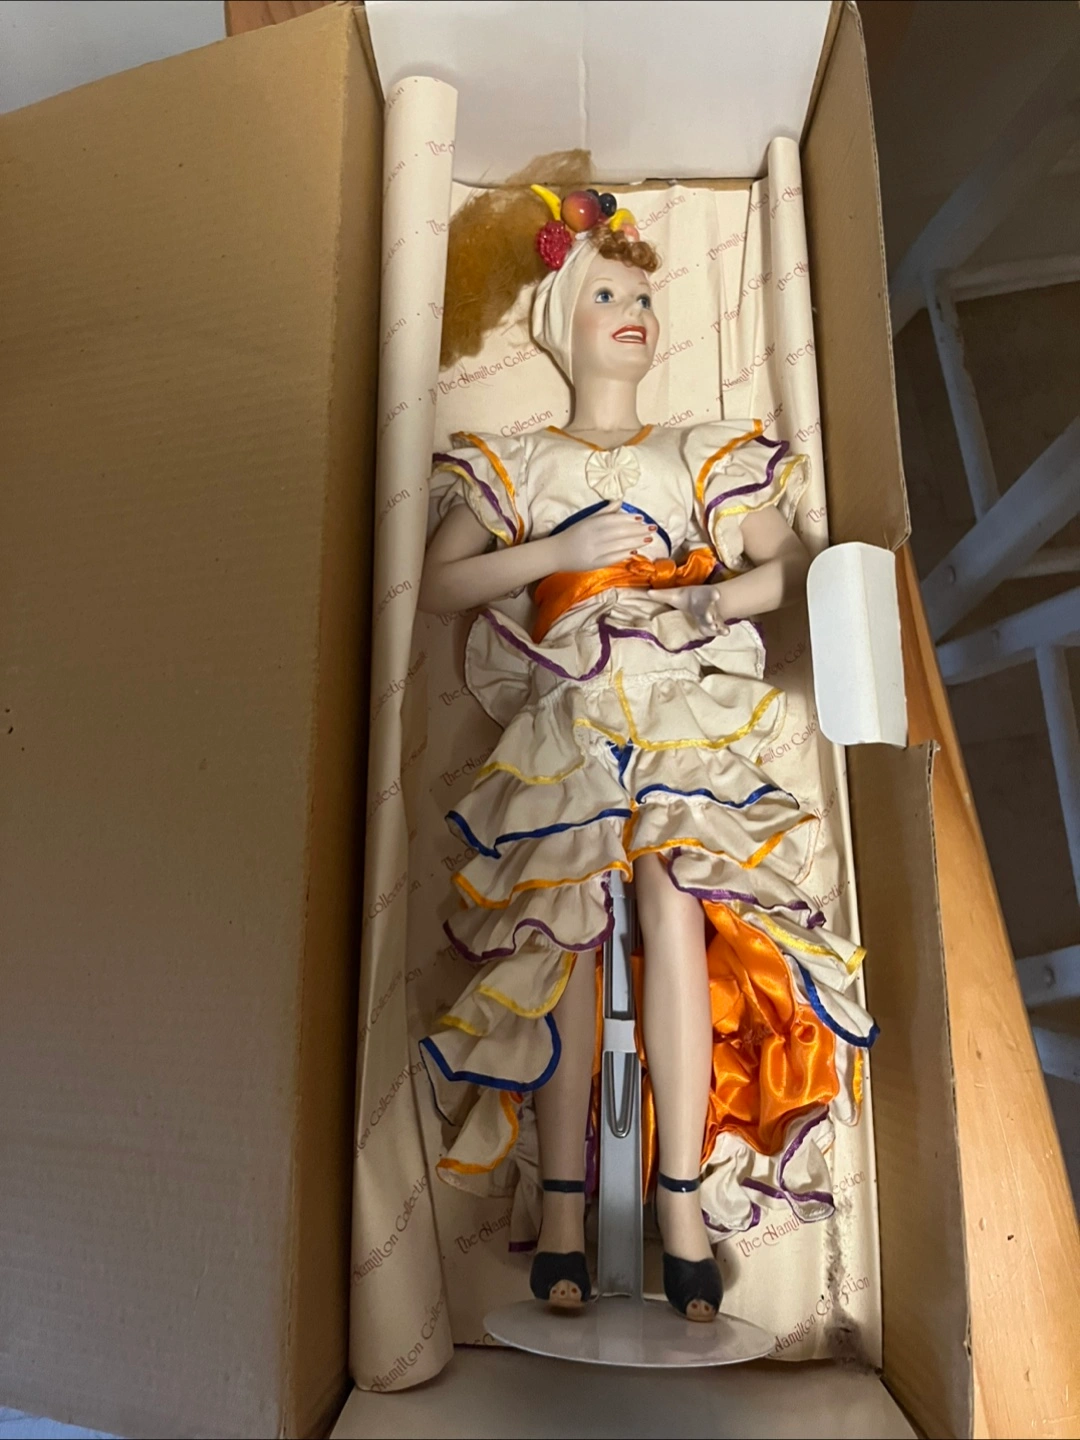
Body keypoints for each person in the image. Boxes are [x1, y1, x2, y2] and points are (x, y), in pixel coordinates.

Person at [418, 191, 876, 1323]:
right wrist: (562, 551)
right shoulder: (520, 463)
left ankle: (680, 1202)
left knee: (675, 897)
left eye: (644, 297)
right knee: (566, 924)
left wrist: (710, 599)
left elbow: (788, 566)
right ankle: (562, 1206)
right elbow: (440, 582)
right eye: (608, 295)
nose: (635, 312)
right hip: (571, 713)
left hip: (680, 707)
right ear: (561, 321)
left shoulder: (698, 451)